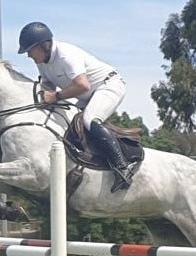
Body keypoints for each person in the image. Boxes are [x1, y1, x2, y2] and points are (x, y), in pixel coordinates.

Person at [18, 21, 134, 193]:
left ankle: (122, 168)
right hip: (86, 94)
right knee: (70, 121)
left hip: (108, 85)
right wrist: (45, 96)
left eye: (30, 50)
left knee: (90, 120)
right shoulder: (42, 60)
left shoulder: (65, 55)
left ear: (44, 45)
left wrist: (56, 96)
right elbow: (48, 83)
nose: (28, 55)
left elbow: (83, 85)